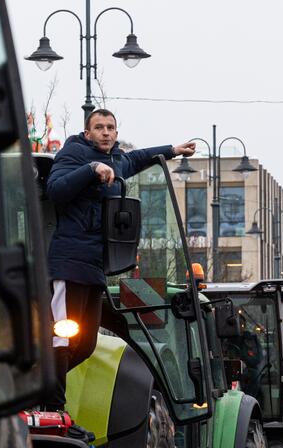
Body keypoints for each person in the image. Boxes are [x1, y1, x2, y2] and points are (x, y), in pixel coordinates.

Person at [42, 109, 195, 411]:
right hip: (68, 263)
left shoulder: (118, 160)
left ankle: (39, 387)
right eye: (99, 127)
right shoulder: (73, 154)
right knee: (62, 336)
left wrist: (172, 151)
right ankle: (53, 405)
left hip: (96, 267)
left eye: (111, 127)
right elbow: (56, 190)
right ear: (87, 133)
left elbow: (137, 158)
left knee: (85, 345)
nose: (106, 133)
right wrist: (91, 169)